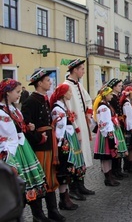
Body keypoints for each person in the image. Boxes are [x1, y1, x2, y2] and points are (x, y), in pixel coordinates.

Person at [22, 69, 66, 221]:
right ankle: (38, 214)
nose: (50, 82)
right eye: (47, 80)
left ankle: (52, 210)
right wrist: (38, 138)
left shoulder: (44, 98)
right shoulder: (30, 102)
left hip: (49, 144)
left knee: (50, 177)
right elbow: (26, 127)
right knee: (39, 179)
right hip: (39, 147)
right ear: (39, 83)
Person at [0, 79, 47, 211]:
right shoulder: (1, 112)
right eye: (17, 92)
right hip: (12, 150)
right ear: (7, 92)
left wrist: (29, 128)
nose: (19, 94)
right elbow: (6, 134)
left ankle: (38, 214)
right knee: (19, 184)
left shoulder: (14, 109)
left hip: (22, 146)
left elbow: (19, 128)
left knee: (32, 182)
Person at [50, 84, 86, 210]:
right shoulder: (57, 109)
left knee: (69, 169)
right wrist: (60, 146)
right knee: (64, 169)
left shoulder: (63, 108)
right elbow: (59, 130)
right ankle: (63, 199)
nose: (71, 94)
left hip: (69, 139)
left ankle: (66, 197)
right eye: (69, 92)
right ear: (64, 94)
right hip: (64, 142)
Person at [64, 58, 95, 200]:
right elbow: (68, 109)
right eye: (81, 69)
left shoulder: (79, 85)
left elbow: (88, 100)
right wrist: (75, 127)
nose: (83, 71)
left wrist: (88, 114)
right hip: (74, 128)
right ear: (75, 70)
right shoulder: (66, 86)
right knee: (75, 156)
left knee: (82, 156)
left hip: (83, 124)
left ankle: (81, 184)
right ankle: (73, 188)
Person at [93, 86, 128, 186]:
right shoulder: (103, 107)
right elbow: (104, 123)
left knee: (108, 157)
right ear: (105, 95)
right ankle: (108, 177)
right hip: (106, 134)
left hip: (109, 132)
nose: (111, 96)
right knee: (106, 157)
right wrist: (110, 136)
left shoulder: (106, 105)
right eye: (109, 94)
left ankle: (109, 176)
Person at [106, 78, 129, 179]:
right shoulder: (113, 98)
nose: (121, 87)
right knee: (117, 148)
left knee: (120, 148)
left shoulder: (117, 97)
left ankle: (118, 170)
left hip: (119, 124)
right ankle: (115, 170)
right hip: (115, 125)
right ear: (114, 87)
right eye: (119, 86)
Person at [119, 86, 132, 173]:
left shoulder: (127, 102)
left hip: (129, 127)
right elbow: (129, 117)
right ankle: (128, 165)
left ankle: (129, 164)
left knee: (131, 147)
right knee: (130, 147)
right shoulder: (126, 104)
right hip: (129, 128)